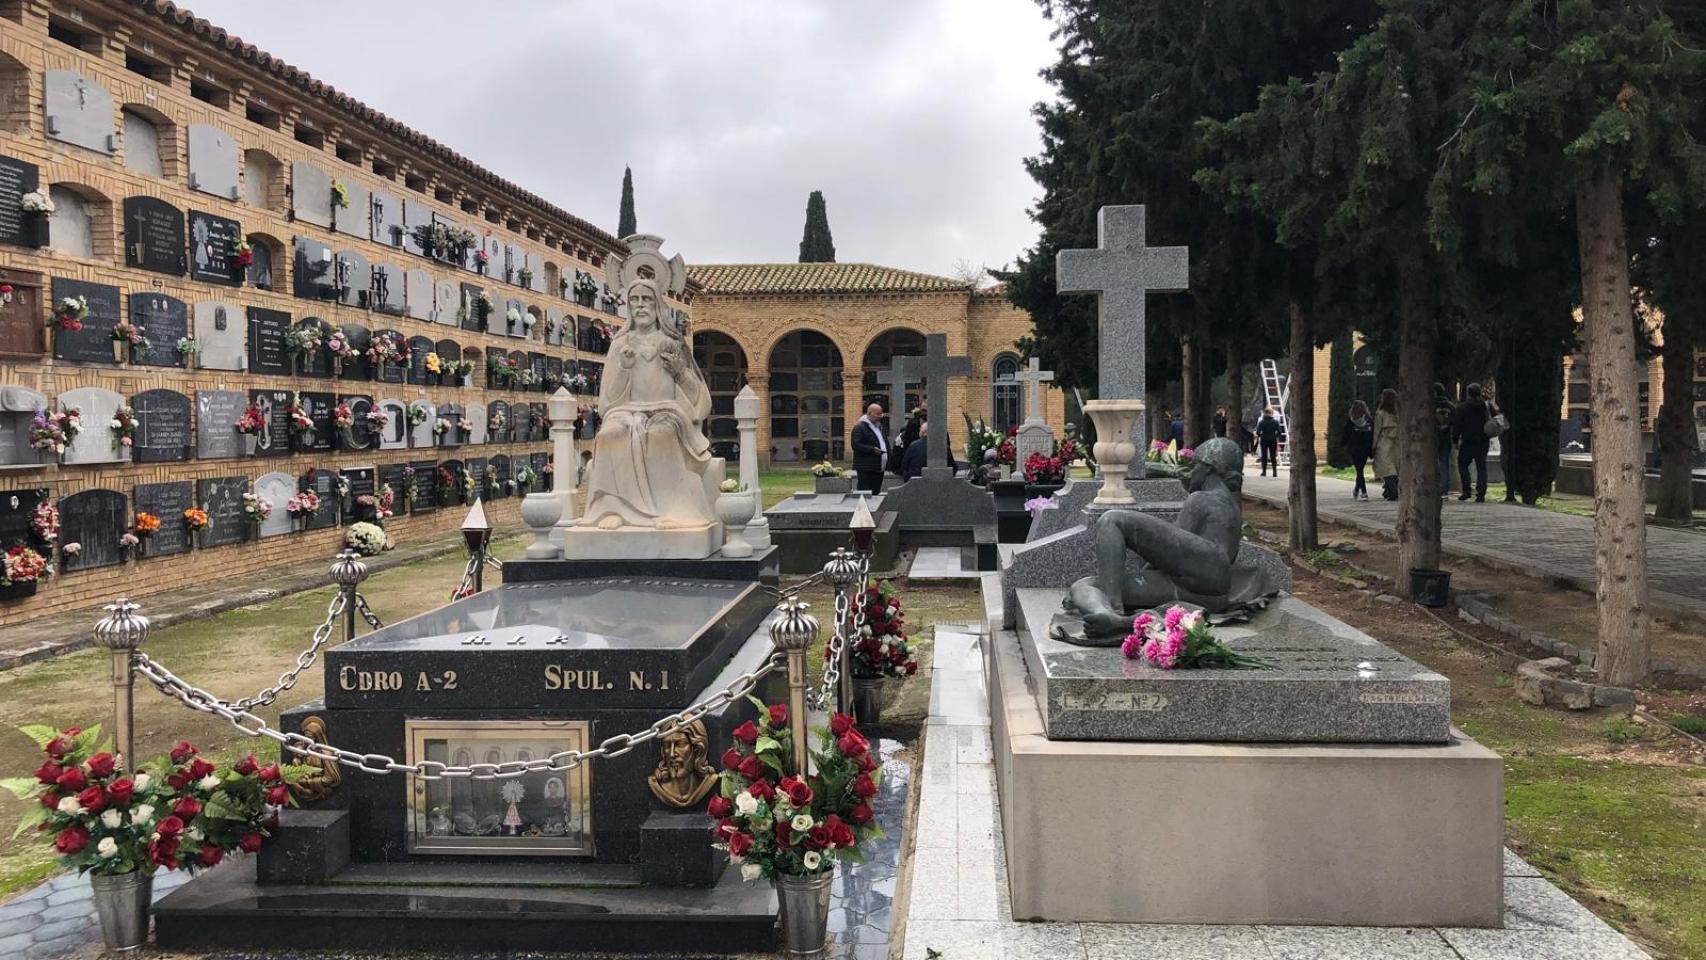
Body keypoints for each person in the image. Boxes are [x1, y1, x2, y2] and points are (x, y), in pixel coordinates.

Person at [579, 278, 716, 531]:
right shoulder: (619, 345)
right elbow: (608, 402)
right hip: (626, 412)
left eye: (646, 299)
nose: (640, 305)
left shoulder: (672, 343)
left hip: (667, 410)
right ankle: (615, 509)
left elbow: (698, 398)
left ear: (657, 305)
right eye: (634, 300)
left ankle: (672, 509)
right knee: (609, 435)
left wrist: (680, 372)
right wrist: (624, 369)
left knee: (660, 433)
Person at [1451, 382, 1492, 502]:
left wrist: (1455, 439)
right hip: (1483, 440)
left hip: (1468, 440)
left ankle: (1466, 491)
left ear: (1468, 393)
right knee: (1481, 467)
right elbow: (1494, 418)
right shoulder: (1485, 406)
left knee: (1463, 464)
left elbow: (1457, 424)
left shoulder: (1463, 407)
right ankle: (1481, 494)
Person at [850, 401, 889, 495]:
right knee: (865, 493)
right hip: (866, 468)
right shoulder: (860, 427)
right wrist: (872, 450)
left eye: (881, 414)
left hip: (878, 467)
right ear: (869, 413)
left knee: (876, 493)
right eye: (878, 414)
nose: (881, 416)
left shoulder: (879, 427)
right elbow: (856, 445)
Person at [1341, 400, 1375, 500]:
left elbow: (1345, 435)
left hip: (1354, 449)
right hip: (1365, 449)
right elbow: (1373, 435)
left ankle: (1361, 492)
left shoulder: (1350, 421)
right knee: (1360, 470)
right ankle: (1359, 491)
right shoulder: (1369, 421)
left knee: (1359, 470)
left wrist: (1342, 445)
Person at [1373, 389, 1400, 501]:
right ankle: (1389, 491)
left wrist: (1373, 446)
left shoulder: (1380, 413)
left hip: (1384, 440)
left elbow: (1377, 430)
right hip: (1398, 441)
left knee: (1386, 467)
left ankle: (1392, 492)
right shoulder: (1399, 412)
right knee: (1395, 466)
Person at [1433, 383, 1455, 499]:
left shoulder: (1430, 405)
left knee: (1431, 463)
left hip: (1432, 438)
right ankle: (1444, 489)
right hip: (1446, 437)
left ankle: (1433, 487)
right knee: (1444, 463)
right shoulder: (1450, 406)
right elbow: (1454, 421)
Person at [1255, 406, 1282, 476]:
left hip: (1264, 439)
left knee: (1264, 455)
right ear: (1271, 413)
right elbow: (1279, 432)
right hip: (1273, 439)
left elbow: (1258, 432)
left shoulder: (1261, 422)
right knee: (1273, 456)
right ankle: (1274, 472)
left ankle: (1264, 472)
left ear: (1264, 413)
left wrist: (1262, 435)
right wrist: (1274, 436)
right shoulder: (1275, 422)